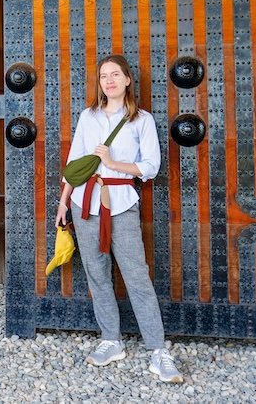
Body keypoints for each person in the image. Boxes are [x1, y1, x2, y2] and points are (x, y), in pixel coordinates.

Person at [55, 54, 183, 383]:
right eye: (103, 76)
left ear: (127, 80)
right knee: (97, 276)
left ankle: (158, 351)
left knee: (137, 277)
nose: (109, 80)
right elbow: (73, 164)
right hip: (86, 203)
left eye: (115, 74)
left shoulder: (141, 120)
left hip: (122, 201)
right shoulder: (88, 116)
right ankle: (110, 340)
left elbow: (150, 167)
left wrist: (113, 162)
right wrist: (63, 203)